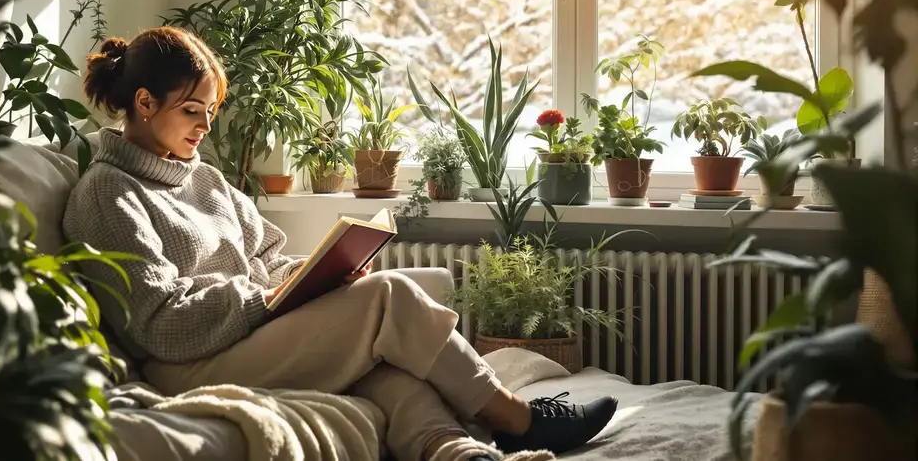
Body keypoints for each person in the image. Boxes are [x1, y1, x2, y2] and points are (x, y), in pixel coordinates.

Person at [63, 27, 618, 461]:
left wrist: (314, 274)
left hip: (246, 334)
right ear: (142, 102)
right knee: (393, 299)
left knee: (390, 345)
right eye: (191, 111)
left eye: (211, 111)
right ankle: (517, 418)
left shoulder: (200, 177)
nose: (205, 126)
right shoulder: (108, 194)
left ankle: (456, 451)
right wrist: (267, 299)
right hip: (187, 363)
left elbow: (266, 256)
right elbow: (159, 323)